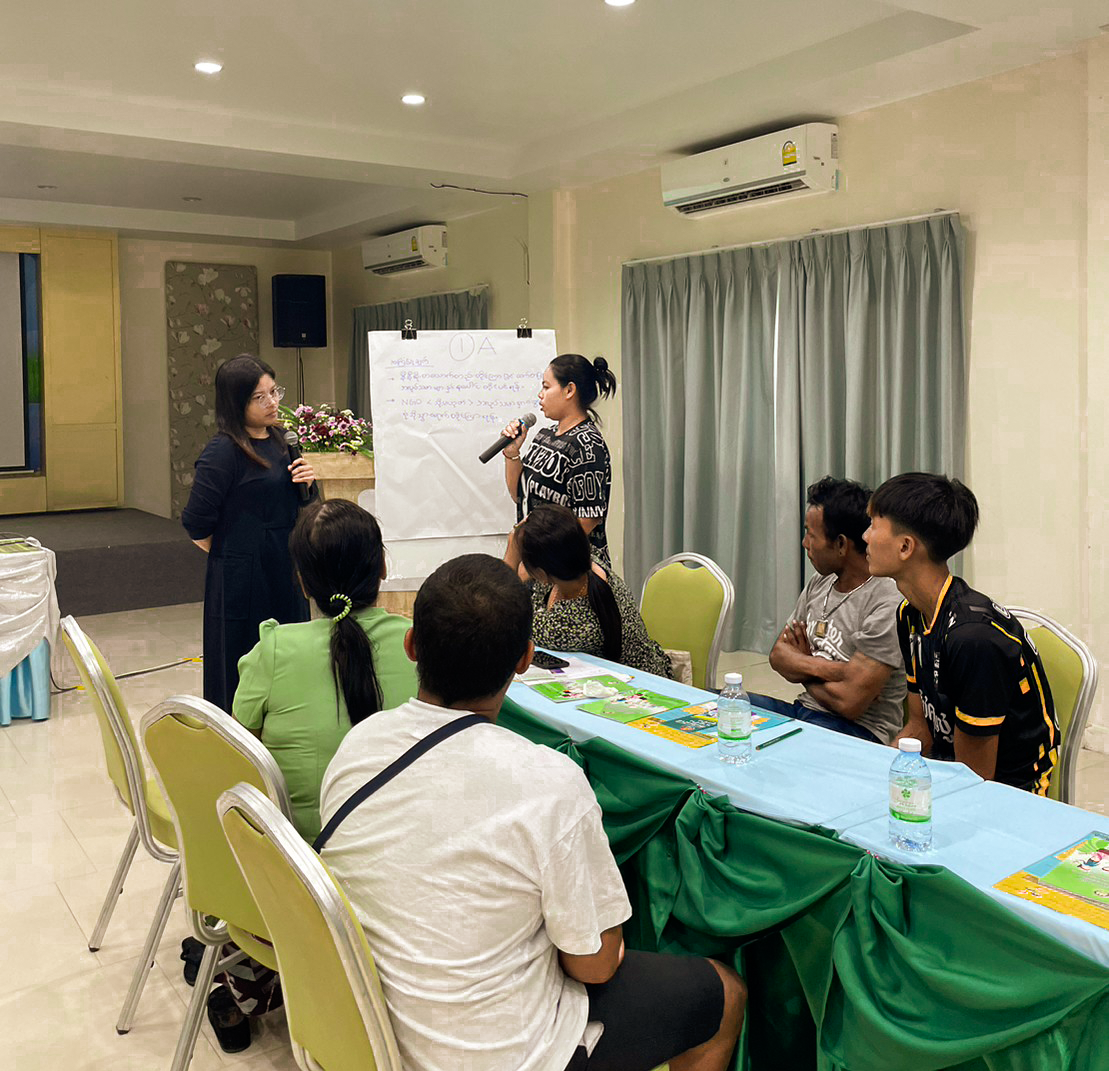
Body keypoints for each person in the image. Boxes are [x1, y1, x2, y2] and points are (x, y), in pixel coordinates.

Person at [318, 554, 745, 1071]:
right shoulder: (549, 781)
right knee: (725, 993)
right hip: (501, 1055)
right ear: (524, 659)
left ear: (411, 645)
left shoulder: (356, 746)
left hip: (368, 1033)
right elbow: (594, 966)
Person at [233, 499, 418, 842]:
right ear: (382, 566)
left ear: (302, 582)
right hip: (403, 843)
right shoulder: (418, 644)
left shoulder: (274, 650)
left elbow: (240, 753)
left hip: (302, 856)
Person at [865, 472, 1059, 793]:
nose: (865, 536)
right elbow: (919, 727)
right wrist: (877, 774)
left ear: (905, 546)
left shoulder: (972, 639)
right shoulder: (909, 615)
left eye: (873, 525)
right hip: (948, 770)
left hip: (1012, 792)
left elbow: (975, 780)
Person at [181, 354, 316, 712]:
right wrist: (234, 552)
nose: (272, 402)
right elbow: (196, 522)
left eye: (274, 392)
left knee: (289, 652)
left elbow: (297, 501)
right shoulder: (222, 451)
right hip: (241, 576)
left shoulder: (282, 440)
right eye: (260, 397)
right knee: (242, 659)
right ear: (236, 402)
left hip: (285, 566)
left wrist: (308, 483)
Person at [754, 477, 906, 744]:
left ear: (841, 544)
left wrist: (801, 664)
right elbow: (778, 656)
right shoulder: (819, 583)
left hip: (858, 732)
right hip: (803, 711)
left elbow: (850, 703)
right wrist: (838, 671)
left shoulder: (887, 601)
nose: (805, 543)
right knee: (717, 708)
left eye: (811, 535)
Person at [506, 503, 672, 677]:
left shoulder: (573, 624)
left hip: (643, 685)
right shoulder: (579, 567)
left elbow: (506, 620)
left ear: (541, 573)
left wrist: (511, 555)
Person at [501, 353, 617, 565]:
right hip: (535, 558)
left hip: (567, 568)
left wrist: (540, 563)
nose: (540, 395)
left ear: (569, 390)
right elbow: (520, 495)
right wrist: (512, 453)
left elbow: (586, 521)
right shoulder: (545, 435)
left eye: (546, 387)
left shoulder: (587, 445)